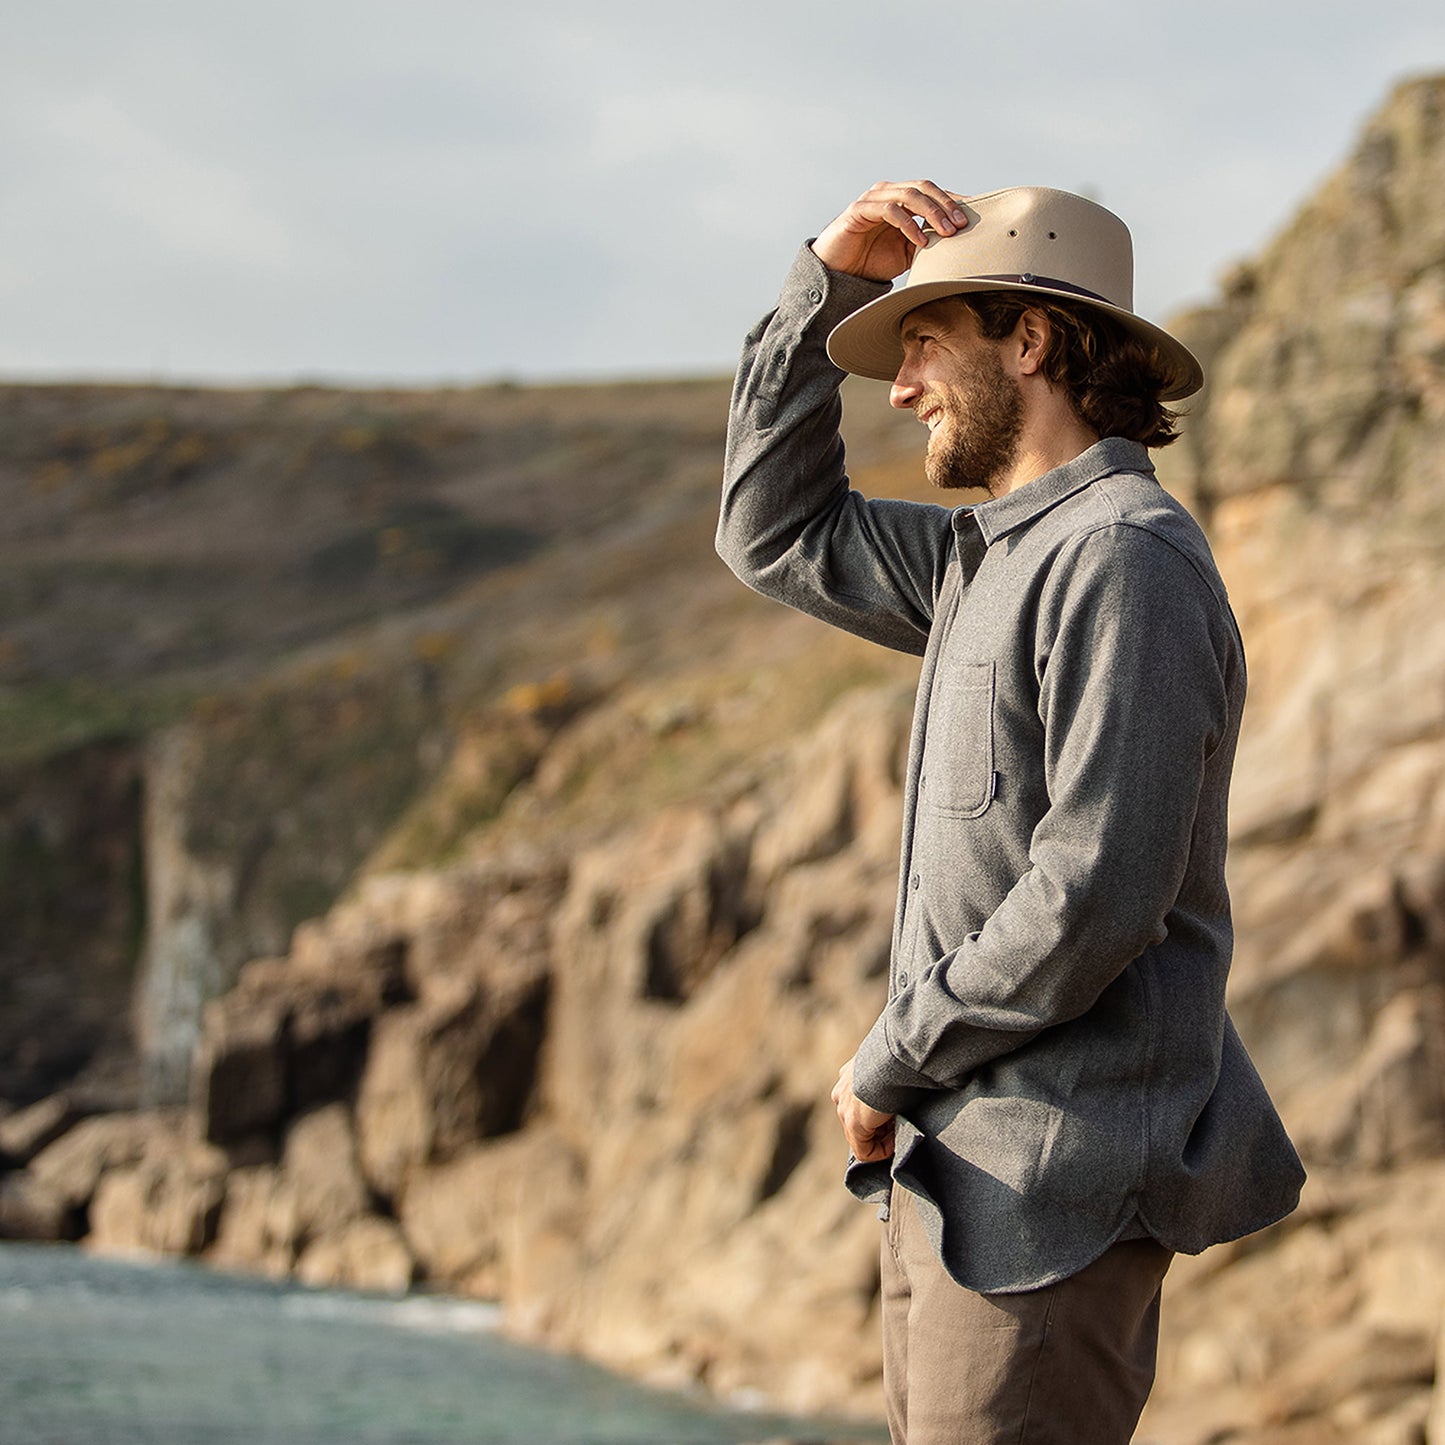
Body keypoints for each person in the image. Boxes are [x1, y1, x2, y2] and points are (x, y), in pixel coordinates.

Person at [716, 183, 1305, 1445]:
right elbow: (770, 531)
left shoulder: (1123, 558)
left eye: (923, 342)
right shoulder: (980, 559)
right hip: (956, 1185)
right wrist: (828, 283)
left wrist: (892, 1052)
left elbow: (1095, 889)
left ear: (1029, 340)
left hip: (1051, 1194)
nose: (899, 387)